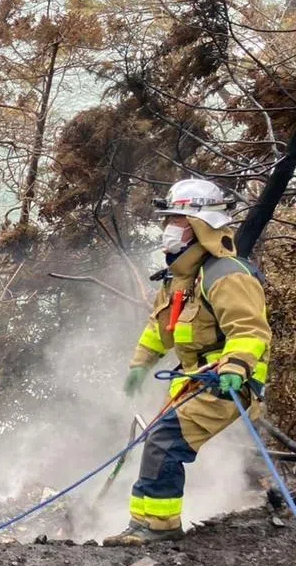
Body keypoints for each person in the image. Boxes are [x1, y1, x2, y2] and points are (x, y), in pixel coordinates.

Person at [105, 178, 272, 546]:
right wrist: (140, 365)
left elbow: (249, 330)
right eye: (169, 223)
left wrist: (234, 368)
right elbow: (160, 329)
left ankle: (159, 530)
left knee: (165, 442)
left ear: (201, 226)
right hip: (195, 380)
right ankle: (140, 525)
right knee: (156, 439)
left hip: (228, 383)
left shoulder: (227, 276)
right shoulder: (182, 278)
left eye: (178, 223)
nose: (170, 231)